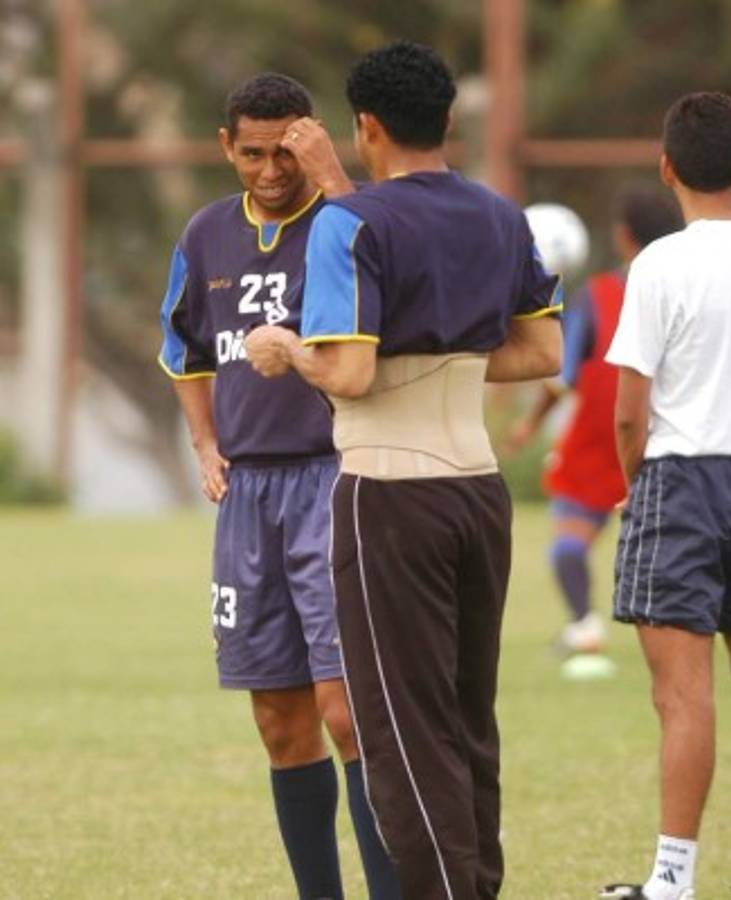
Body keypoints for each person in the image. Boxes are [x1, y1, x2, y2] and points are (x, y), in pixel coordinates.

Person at [244, 40, 563, 900]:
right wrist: (442, 354)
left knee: (400, 730)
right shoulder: (503, 215)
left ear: (365, 127)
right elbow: (542, 351)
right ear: (451, 122)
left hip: (389, 498)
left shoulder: (347, 223)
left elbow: (346, 372)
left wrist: (285, 350)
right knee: (467, 721)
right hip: (480, 491)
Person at [157, 72, 399, 900]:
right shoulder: (205, 235)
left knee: (347, 712)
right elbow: (184, 348)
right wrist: (204, 441)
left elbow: (392, 259)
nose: (269, 169)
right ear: (228, 147)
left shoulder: (343, 220)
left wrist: (335, 175)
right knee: (278, 719)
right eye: (252, 152)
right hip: (249, 500)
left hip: (331, 482)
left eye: (284, 149)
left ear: (311, 138)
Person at [600, 93, 731, 900]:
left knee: (682, 697)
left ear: (666, 168)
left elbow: (630, 412)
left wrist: (636, 492)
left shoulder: (658, 265)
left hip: (682, 481)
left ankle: (670, 883)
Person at [508, 188, 682, 653]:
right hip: (672, 433)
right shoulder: (692, 291)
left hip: (602, 435)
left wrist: (530, 423)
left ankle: (584, 624)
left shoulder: (600, 295)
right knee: (703, 545)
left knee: (568, 544)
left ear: (624, 237)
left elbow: (560, 372)